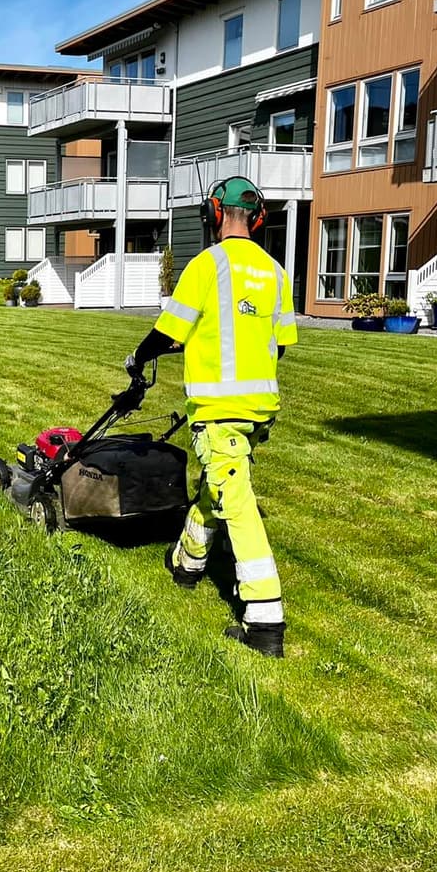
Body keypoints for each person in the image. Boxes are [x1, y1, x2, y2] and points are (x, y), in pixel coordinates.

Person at [124, 177, 297, 657]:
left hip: (219, 410)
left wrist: (138, 358)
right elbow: (278, 344)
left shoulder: (207, 265)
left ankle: (265, 619)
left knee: (236, 503)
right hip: (258, 410)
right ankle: (188, 563)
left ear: (214, 213)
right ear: (258, 218)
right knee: (217, 486)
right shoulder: (277, 273)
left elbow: (168, 331)